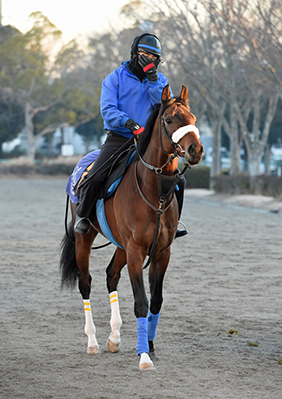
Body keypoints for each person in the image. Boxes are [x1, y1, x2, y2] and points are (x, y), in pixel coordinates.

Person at [74, 33, 188, 238]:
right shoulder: (114, 77)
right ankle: (83, 216)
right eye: (144, 54)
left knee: (178, 181)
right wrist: (129, 122)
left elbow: (167, 110)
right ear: (135, 53)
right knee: (96, 176)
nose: (149, 59)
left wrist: (153, 81)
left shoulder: (160, 81)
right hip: (119, 138)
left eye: (153, 57)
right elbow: (108, 110)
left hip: (150, 143)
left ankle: (174, 222)